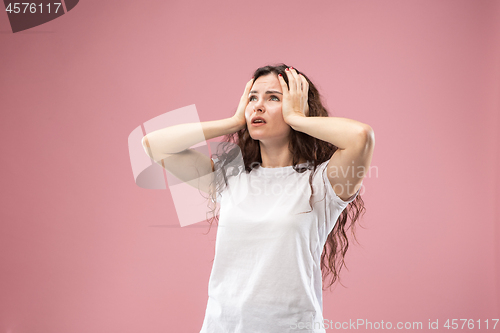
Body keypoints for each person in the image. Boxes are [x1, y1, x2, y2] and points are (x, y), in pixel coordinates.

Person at [142, 64, 375, 332]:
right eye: (253, 98)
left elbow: (361, 137)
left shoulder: (322, 182)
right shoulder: (231, 176)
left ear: (297, 105)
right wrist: (232, 122)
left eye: (274, 97)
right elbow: (152, 144)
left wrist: (298, 118)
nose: (258, 106)